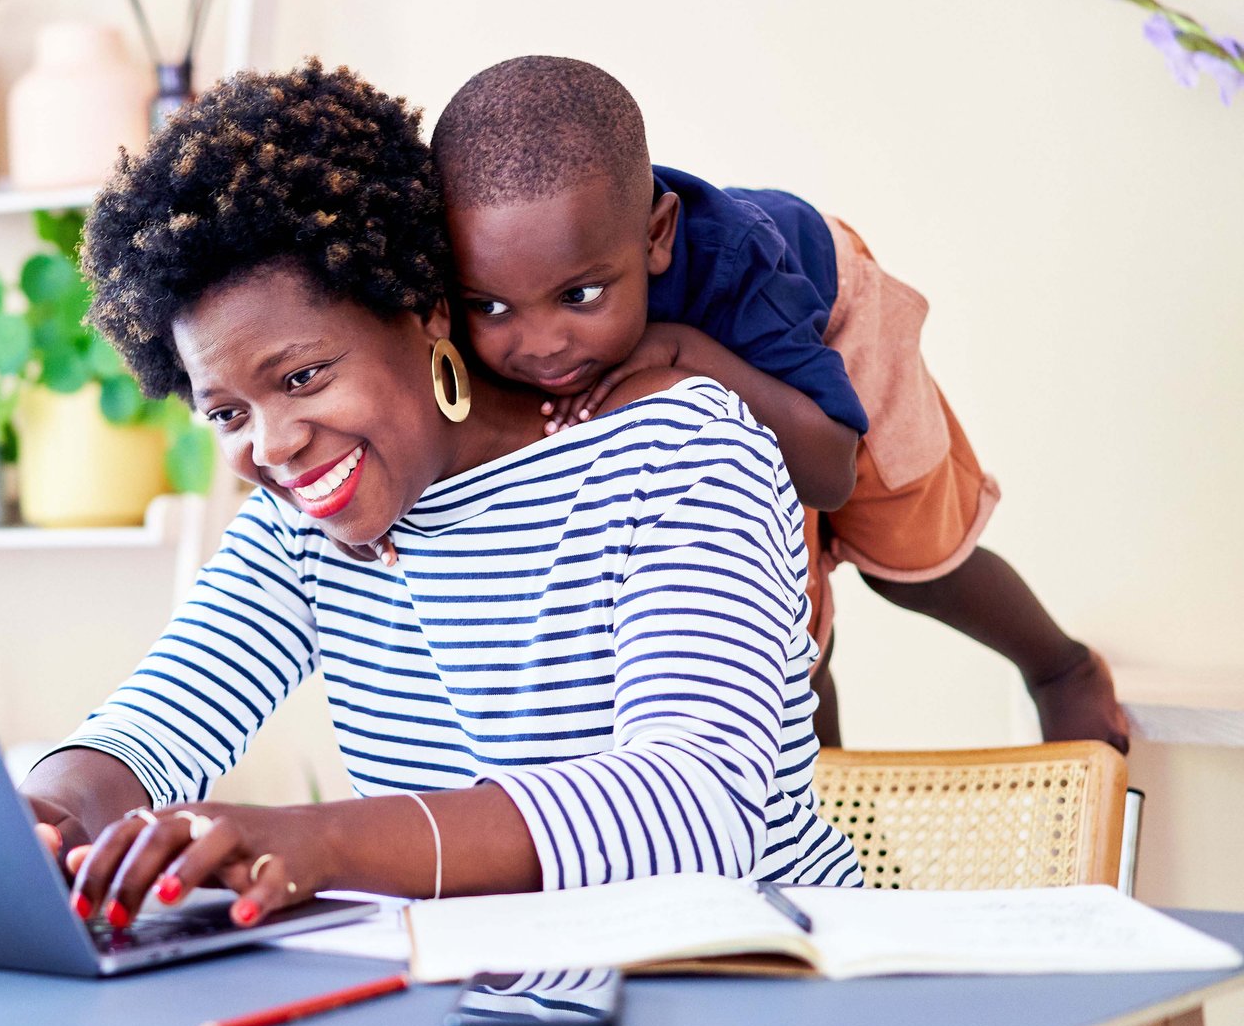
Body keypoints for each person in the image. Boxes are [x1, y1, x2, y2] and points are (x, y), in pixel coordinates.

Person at [21, 60, 860, 933]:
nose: (271, 445)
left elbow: (695, 805)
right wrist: (43, 819)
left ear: (421, 307)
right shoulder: (302, 526)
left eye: (303, 376)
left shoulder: (678, 449)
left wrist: (327, 843)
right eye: (228, 411)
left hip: (758, 976)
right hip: (497, 1003)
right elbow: (154, 724)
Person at [426, 56, 1127, 750]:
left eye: (579, 297)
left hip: (824, 328)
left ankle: (1060, 667)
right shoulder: (481, 287)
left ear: (656, 237)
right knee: (774, 633)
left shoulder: (741, 266)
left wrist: (687, 353)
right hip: (712, 369)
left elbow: (830, 470)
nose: (542, 344)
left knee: (910, 566)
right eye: (490, 306)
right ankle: (827, 833)